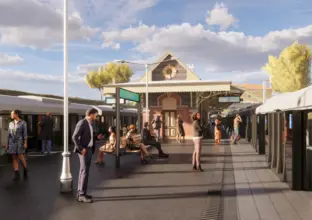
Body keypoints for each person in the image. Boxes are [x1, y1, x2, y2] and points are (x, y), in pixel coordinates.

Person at [72, 108, 99, 203]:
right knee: (84, 172)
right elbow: (74, 137)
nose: (96, 117)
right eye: (96, 115)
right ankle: (81, 195)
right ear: (91, 114)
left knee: (85, 172)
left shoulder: (90, 123)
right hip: (84, 151)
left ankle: (82, 193)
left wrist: (96, 137)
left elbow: (89, 136)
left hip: (89, 150)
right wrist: (81, 148)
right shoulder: (82, 122)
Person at [6, 109, 28, 180]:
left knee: (21, 157)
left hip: (19, 143)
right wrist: (7, 144)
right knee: (14, 157)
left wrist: (25, 143)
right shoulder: (10, 123)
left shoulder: (23, 123)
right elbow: (8, 135)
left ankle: (25, 169)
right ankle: (16, 174)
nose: (11, 115)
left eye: (12, 114)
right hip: (12, 143)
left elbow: (25, 134)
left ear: (17, 114)